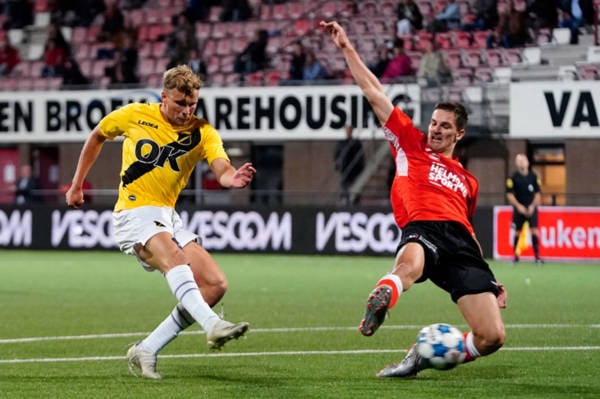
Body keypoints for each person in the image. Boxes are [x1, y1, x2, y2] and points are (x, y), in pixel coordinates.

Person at [320, 20, 507, 378]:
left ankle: (423, 355)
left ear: (460, 134)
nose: (435, 129)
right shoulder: (410, 142)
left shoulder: (468, 181)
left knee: (492, 336)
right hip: (423, 227)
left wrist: (490, 277)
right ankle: (382, 298)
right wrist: (346, 47)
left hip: (461, 244)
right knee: (407, 268)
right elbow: (375, 92)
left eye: (444, 126)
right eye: (434, 122)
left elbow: (468, 228)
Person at [65, 64, 255, 379]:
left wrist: (230, 177)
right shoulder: (134, 114)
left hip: (168, 216)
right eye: (180, 103)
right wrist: (76, 184)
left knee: (214, 284)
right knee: (177, 260)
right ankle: (212, 325)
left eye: (192, 104)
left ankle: (147, 348)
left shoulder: (202, 131)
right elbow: (97, 135)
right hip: (134, 212)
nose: (186, 111)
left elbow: (220, 166)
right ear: (164, 97)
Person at [506, 153, 543, 264]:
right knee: (517, 232)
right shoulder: (512, 178)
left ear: (527, 162)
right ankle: (515, 256)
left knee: (534, 231)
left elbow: (538, 193)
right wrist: (518, 206)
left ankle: (537, 257)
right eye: (519, 160)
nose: (521, 162)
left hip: (531, 208)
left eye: (523, 160)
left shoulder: (534, 176)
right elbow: (509, 194)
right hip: (519, 209)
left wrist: (532, 206)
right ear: (516, 163)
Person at [334, 126, 365, 206]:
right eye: (347, 130)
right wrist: (338, 166)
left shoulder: (356, 143)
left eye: (349, 130)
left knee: (355, 187)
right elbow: (337, 155)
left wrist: (360, 167)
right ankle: (344, 200)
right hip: (345, 170)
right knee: (344, 187)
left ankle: (355, 202)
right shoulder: (341, 143)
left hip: (354, 171)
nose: (348, 131)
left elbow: (360, 156)